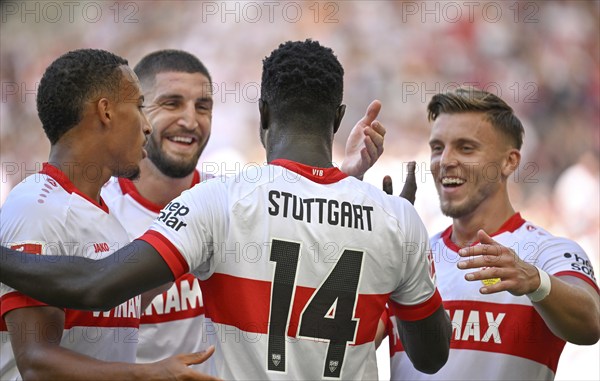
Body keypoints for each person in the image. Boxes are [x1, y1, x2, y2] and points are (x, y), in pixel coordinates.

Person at [0, 39, 451, 379]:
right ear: (337, 118)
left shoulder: (219, 201)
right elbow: (431, 357)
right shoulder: (396, 218)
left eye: (203, 105)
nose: (187, 119)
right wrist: (390, 246)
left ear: (264, 115)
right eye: (157, 104)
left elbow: (99, 287)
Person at [101, 48, 387, 368]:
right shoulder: (101, 212)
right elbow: (88, 324)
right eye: (172, 103)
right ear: (139, 112)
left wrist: (344, 181)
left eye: (203, 107)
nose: (190, 120)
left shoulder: (231, 199)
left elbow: (306, 260)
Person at [0, 49, 218, 381]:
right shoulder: (37, 207)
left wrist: (186, 248)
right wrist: (149, 373)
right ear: (106, 112)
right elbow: (36, 362)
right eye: (138, 106)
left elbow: (112, 304)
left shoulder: (101, 214)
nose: (146, 126)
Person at [383, 87, 600, 380]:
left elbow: (590, 323)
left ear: (509, 161)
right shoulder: (413, 256)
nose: (445, 160)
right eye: (437, 147)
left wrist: (536, 282)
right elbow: (350, 341)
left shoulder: (550, 252)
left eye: (466, 148)